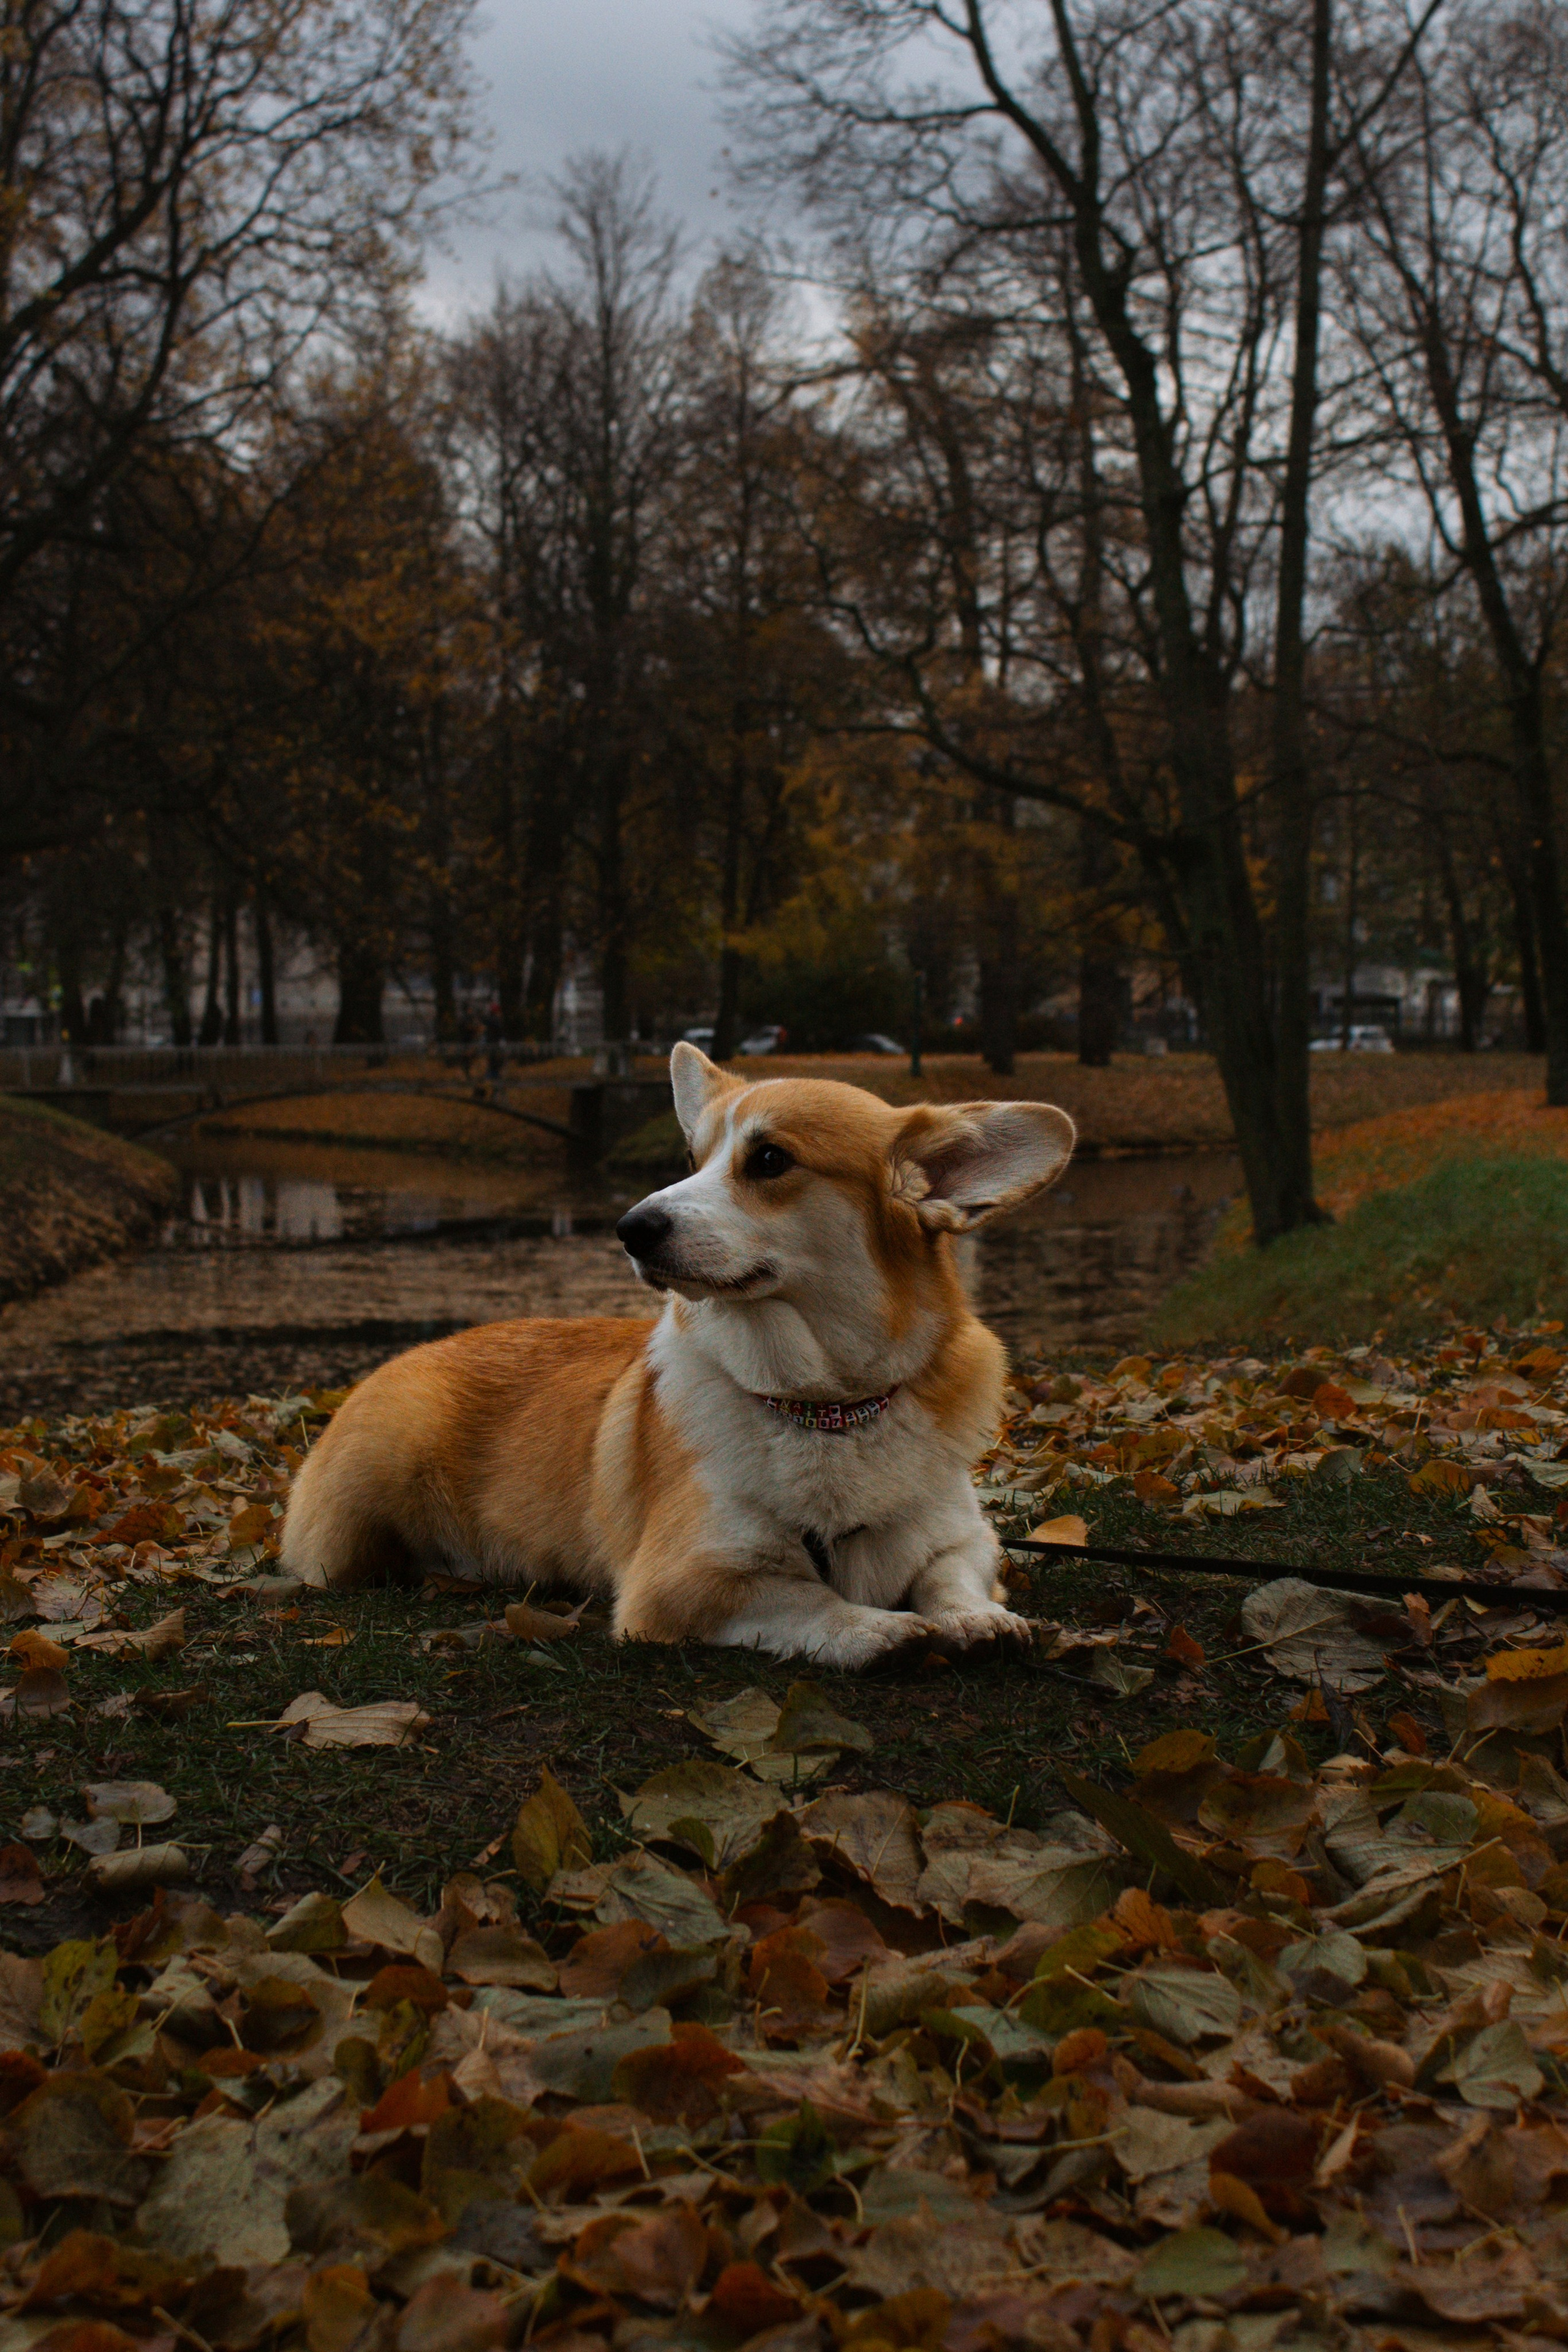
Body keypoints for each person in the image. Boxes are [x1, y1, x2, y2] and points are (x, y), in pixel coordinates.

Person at [483, 1001, 505, 1086]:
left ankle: (491, 1080)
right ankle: (492, 1081)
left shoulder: (489, 1020)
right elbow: (500, 1033)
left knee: (493, 1064)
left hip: (491, 1045)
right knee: (495, 1064)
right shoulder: (496, 1021)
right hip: (495, 1045)